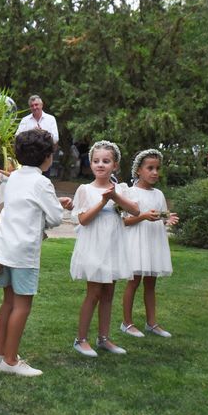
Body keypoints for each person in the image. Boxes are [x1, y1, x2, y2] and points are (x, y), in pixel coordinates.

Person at [0, 129, 73, 377]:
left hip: (6, 248)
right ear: (47, 157)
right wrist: (60, 205)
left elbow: (10, 209)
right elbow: (56, 218)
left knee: (8, 302)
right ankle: (11, 360)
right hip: (25, 253)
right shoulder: (42, 182)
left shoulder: (14, 178)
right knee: (22, 306)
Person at [70, 140, 139, 358]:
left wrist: (115, 196)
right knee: (94, 292)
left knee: (109, 292)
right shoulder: (85, 190)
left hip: (114, 245)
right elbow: (83, 220)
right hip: (93, 246)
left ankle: (104, 337)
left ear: (115, 166)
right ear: (90, 164)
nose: (101, 165)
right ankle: (81, 339)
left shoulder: (121, 189)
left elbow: (135, 211)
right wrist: (102, 202)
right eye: (96, 161)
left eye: (106, 161)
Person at [120, 149, 179, 339]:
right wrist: (143, 216)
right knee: (134, 281)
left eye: (157, 168)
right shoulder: (129, 193)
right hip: (137, 242)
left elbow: (161, 215)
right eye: (150, 168)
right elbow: (124, 221)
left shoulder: (159, 194)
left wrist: (166, 219)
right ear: (139, 170)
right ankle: (127, 323)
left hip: (153, 241)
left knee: (151, 283)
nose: (154, 172)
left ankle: (152, 323)